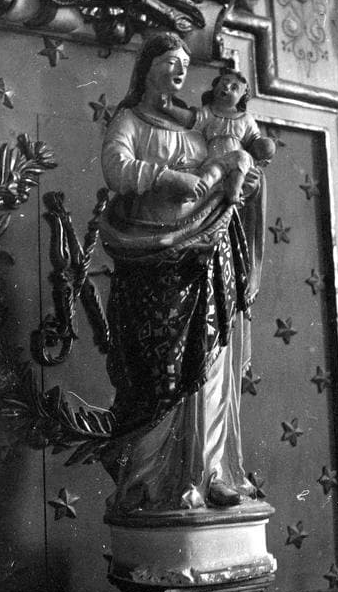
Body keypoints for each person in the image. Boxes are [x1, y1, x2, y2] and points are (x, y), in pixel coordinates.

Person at [99, 32, 271, 519]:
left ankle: (209, 472)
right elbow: (116, 168)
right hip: (152, 263)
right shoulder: (130, 120)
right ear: (147, 68)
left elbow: (229, 168)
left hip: (204, 259)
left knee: (210, 361)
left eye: (183, 63)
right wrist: (166, 177)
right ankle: (151, 481)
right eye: (169, 62)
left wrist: (246, 178)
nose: (179, 70)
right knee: (159, 370)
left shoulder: (196, 128)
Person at [157, 67, 276, 204]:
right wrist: (169, 108)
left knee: (241, 158)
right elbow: (191, 119)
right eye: (224, 82)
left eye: (234, 88)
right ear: (215, 86)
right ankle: (193, 195)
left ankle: (234, 193)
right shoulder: (208, 112)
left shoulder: (246, 119)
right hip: (215, 159)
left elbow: (256, 141)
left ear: (242, 96)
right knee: (210, 175)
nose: (227, 87)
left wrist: (266, 148)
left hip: (238, 162)